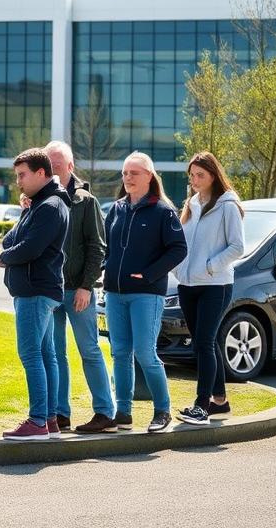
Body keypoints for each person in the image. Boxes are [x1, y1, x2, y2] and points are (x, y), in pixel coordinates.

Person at [103, 152, 187, 434]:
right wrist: (106, 269)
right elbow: (107, 248)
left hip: (147, 295)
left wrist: (150, 274)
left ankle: (162, 410)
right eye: (125, 173)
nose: (128, 178)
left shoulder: (163, 211)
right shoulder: (116, 209)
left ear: (149, 176)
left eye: (134, 173)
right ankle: (123, 412)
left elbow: (178, 249)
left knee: (145, 353)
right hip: (115, 294)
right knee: (120, 353)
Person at [0, 148, 70, 442]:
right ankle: (49, 419)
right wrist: (24, 213)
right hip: (39, 289)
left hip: (35, 291)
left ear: (41, 173)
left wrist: (3, 258)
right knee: (46, 354)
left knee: (31, 354)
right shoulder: (40, 205)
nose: (18, 182)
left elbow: (28, 248)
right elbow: (10, 239)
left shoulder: (50, 206)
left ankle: (38, 420)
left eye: (22, 175)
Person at [43, 141, 116, 435]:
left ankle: (105, 413)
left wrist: (87, 286)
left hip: (78, 291)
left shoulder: (86, 201)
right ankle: (60, 414)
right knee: (55, 353)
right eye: (48, 165)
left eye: (57, 165)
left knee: (89, 350)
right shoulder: (39, 199)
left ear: (71, 167)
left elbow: (98, 248)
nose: (53, 170)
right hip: (50, 291)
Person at [175, 152, 244, 425]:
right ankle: (220, 401)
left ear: (213, 175)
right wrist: (179, 269)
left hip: (216, 284)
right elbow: (183, 243)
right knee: (207, 343)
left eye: (200, 175)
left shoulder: (228, 205)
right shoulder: (191, 204)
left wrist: (209, 266)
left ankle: (201, 406)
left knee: (203, 343)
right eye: (191, 175)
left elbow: (238, 247)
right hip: (187, 284)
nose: (194, 180)